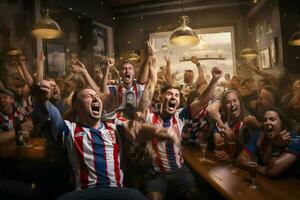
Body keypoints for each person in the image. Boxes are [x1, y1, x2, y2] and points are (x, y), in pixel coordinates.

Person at [33, 79, 179, 200]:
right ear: (77, 106)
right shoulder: (70, 129)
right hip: (84, 193)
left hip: (117, 191)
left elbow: (137, 128)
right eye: (89, 96)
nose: (95, 98)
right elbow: (53, 117)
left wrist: (159, 131)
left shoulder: (114, 126)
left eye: (96, 96)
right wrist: (43, 100)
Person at [138, 66, 222, 200]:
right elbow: (142, 105)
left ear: (178, 103)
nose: (173, 97)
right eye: (169, 94)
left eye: (176, 95)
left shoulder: (180, 115)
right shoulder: (149, 116)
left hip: (179, 170)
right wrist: (152, 79)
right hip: (156, 173)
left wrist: (214, 79)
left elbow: (202, 101)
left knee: (199, 196)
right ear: (161, 98)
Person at [237, 107, 299, 178]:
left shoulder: (294, 140)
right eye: (265, 120)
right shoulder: (260, 135)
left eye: (272, 119)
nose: (267, 123)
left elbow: (272, 171)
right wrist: (263, 169)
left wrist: (277, 147)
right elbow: (240, 160)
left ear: (282, 124)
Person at [100, 39, 156, 111]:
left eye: (130, 69)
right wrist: (107, 68)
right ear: (120, 74)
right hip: (121, 119)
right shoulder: (116, 88)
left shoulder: (138, 85)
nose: (127, 71)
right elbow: (104, 91)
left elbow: (143, 76)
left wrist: (150, 55)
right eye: (124, 69)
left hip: (136, 118)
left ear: (134, 73)